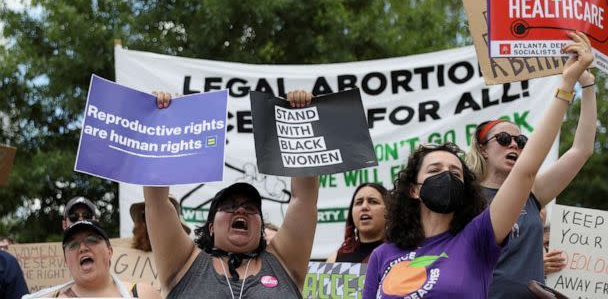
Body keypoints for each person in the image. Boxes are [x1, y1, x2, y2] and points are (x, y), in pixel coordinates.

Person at [363, 31, 593, 299]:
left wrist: (568, 85)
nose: (446, 176)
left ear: (464, 187)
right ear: (413, 189)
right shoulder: (383, 255)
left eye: (455, 172)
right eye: (435, 170)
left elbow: (527, 169)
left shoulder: (477, 238)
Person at [146, 90, 319, 298]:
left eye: (251, 208)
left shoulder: (284, 261)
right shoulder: (185, 263)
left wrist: (300, 120)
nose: (241, 210)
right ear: (211, 227)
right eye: (229, 206)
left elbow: (304, 200)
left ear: (261, 227)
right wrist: (162, 123)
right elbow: (157, 202)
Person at [465, 32, 596, 298]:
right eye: (503, 139)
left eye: (521, 140)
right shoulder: (463, 196)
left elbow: (581, 150)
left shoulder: (532, 192)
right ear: (482, 148)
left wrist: (589, 86)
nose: (514, 145)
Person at [24, 220, 160, 298]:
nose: (82, 248)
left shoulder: (143, 294)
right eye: (73, 244)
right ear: (66, 260)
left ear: (109, 251)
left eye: (91, 240)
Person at [326, 183, 387, 263]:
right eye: (359, 202)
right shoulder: (334, 260)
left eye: (373, 202)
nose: (364, 207)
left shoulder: (403, 254)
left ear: (389, 210)